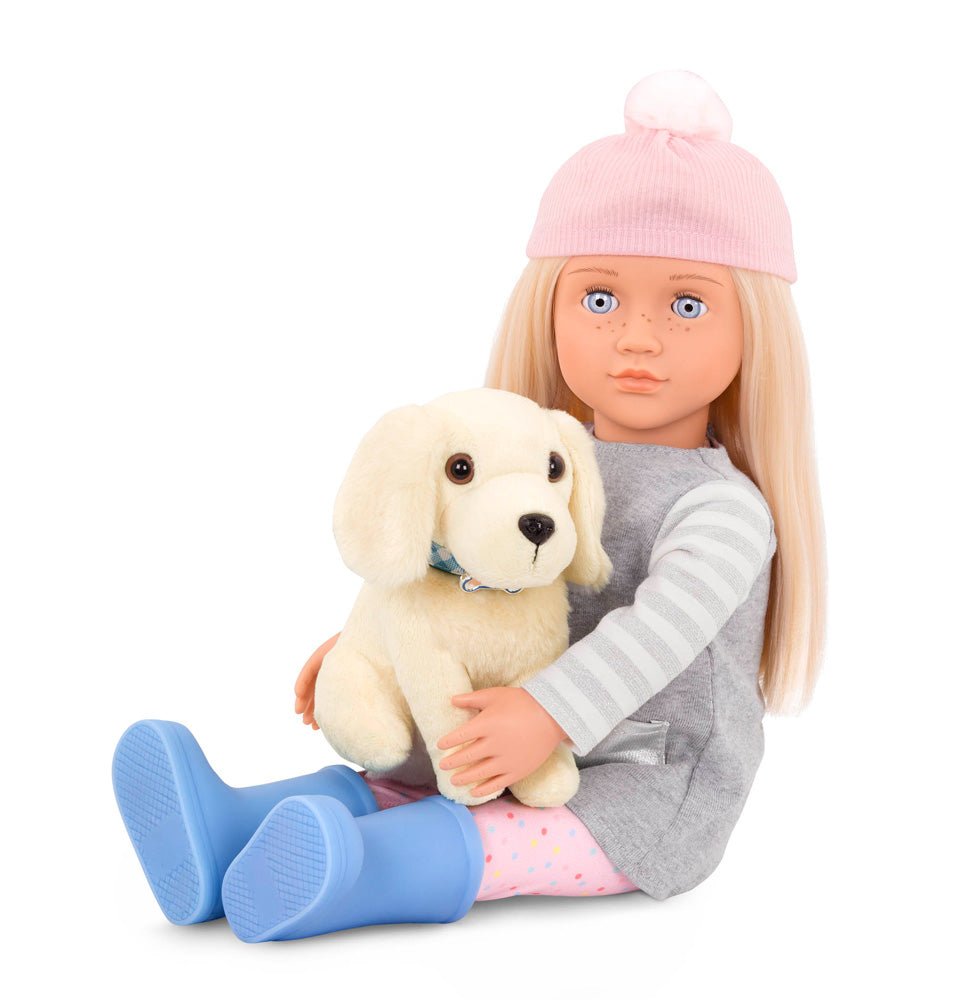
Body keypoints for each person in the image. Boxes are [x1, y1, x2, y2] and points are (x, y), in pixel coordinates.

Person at [112, 68, 826, 942]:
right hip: (504, 740)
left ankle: (353, 873)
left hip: (644, 782)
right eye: (599, 299)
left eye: (686, 305)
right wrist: (375, 644)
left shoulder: (722, 510)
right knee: (403, 778)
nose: (637, 337)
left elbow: (659, 631)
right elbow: (469, 569)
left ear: (755, 327)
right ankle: (230, 829)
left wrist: (547, 713)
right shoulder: (542, 453)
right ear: (549, 307)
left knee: (490, 837)